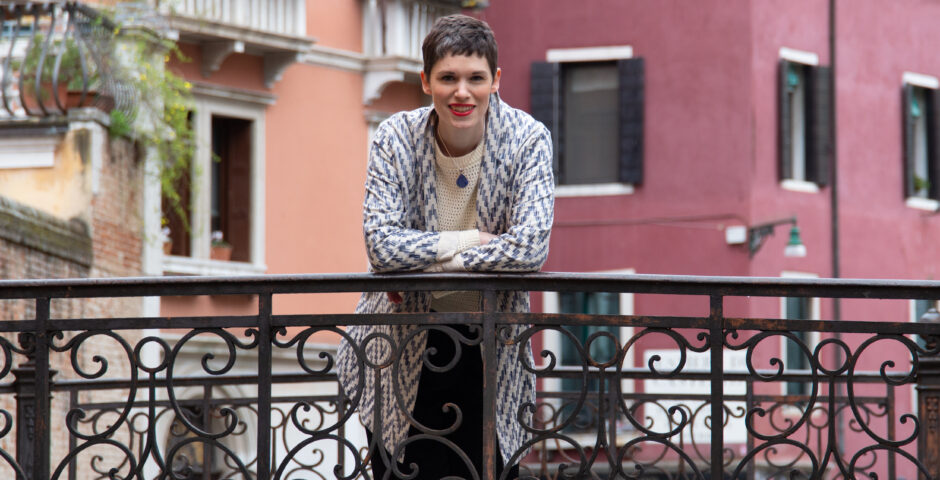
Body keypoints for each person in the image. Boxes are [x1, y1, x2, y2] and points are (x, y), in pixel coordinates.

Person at [336, 14, 554, 479]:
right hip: (399, 345)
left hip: (490, 349)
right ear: (425, 81)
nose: (462, 92)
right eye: (448, 78)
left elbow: (530, 248)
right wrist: (472, 241)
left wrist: (428, 262)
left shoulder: (528, 139)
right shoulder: (395, 138)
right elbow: (380, 246)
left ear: (495, 80)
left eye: (476, 78)